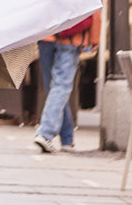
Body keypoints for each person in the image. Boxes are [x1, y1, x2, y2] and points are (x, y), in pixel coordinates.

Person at [34, 10, 101, 153]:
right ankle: (45, 134)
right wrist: (95, 40)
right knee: (60, 87)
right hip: (71, 40)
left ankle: (67, 139)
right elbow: (94, 10)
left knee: (54, 89)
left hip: (47, 36)